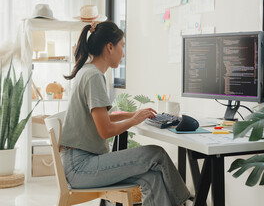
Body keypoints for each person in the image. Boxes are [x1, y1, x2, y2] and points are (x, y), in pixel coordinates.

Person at [61, 21, 190, 206]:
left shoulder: (88, 71)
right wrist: (134, 119)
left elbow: (99, 120)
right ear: (110, 47)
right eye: (122, 46)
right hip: (81, 168)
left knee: (152, 178)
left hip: (79, 162)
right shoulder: (94, 77)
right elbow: (105, 130)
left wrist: (131, 114)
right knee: (157, 154)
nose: (123, 52)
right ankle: (187, 202)